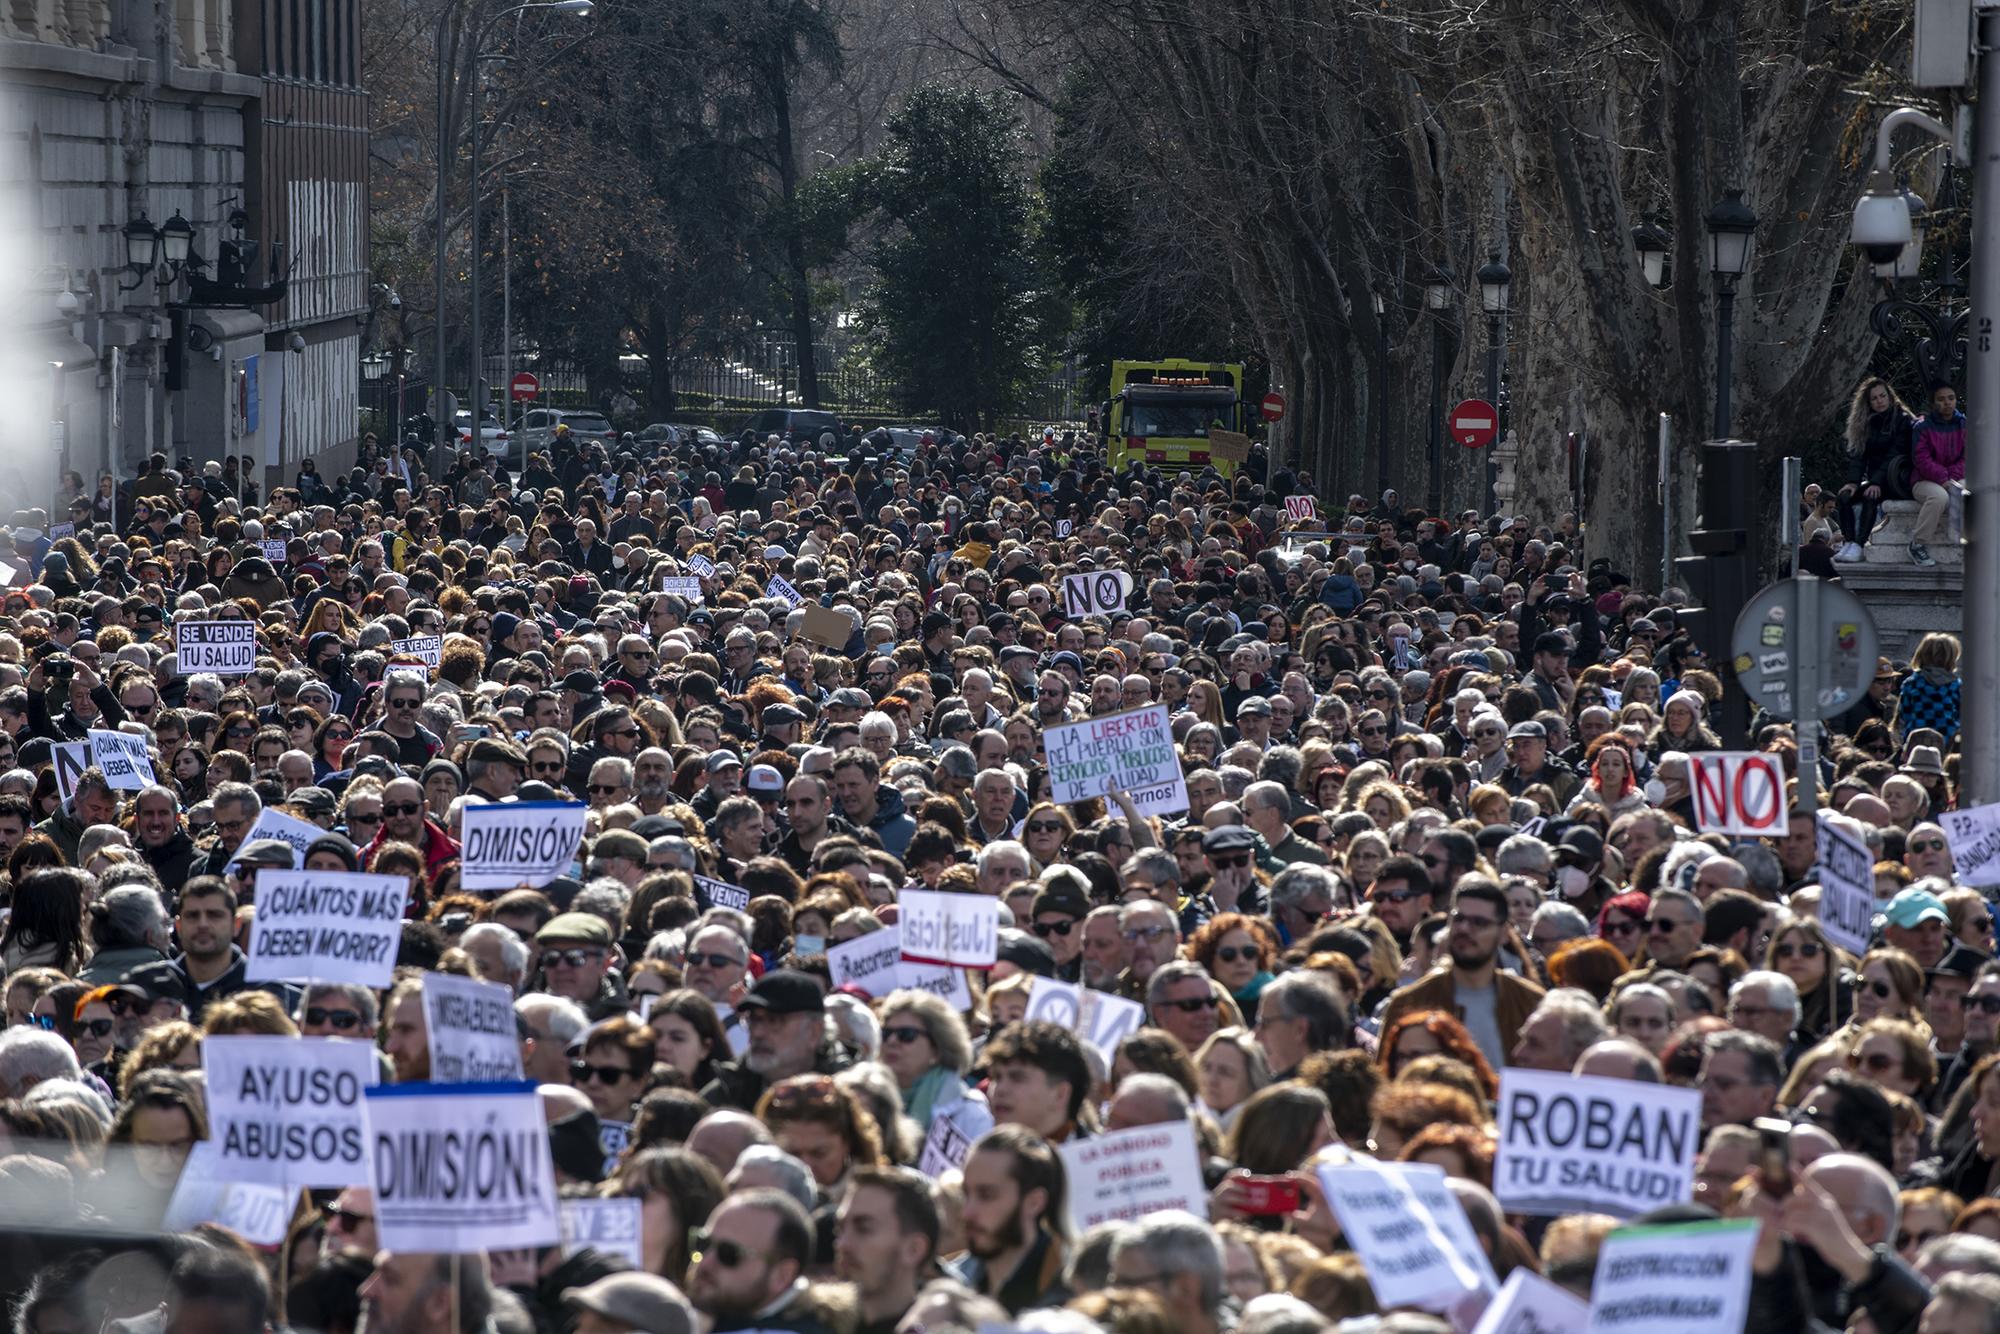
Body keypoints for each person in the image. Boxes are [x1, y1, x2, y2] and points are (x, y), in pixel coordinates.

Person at [1910, 380, 1967, 566]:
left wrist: (1951, 477)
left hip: (1956, 477)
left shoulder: (1964, 424)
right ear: (1934, 403)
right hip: (1924, 480)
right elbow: (1921, 459)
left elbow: (1969, 456)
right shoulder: (1923, 427)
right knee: (1939, 497)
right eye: (1941, 399)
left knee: (1973, 493)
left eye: (1951, 398)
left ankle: (1970, 544)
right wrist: (1943, 479)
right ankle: (1917, 544)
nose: (1947, 403)